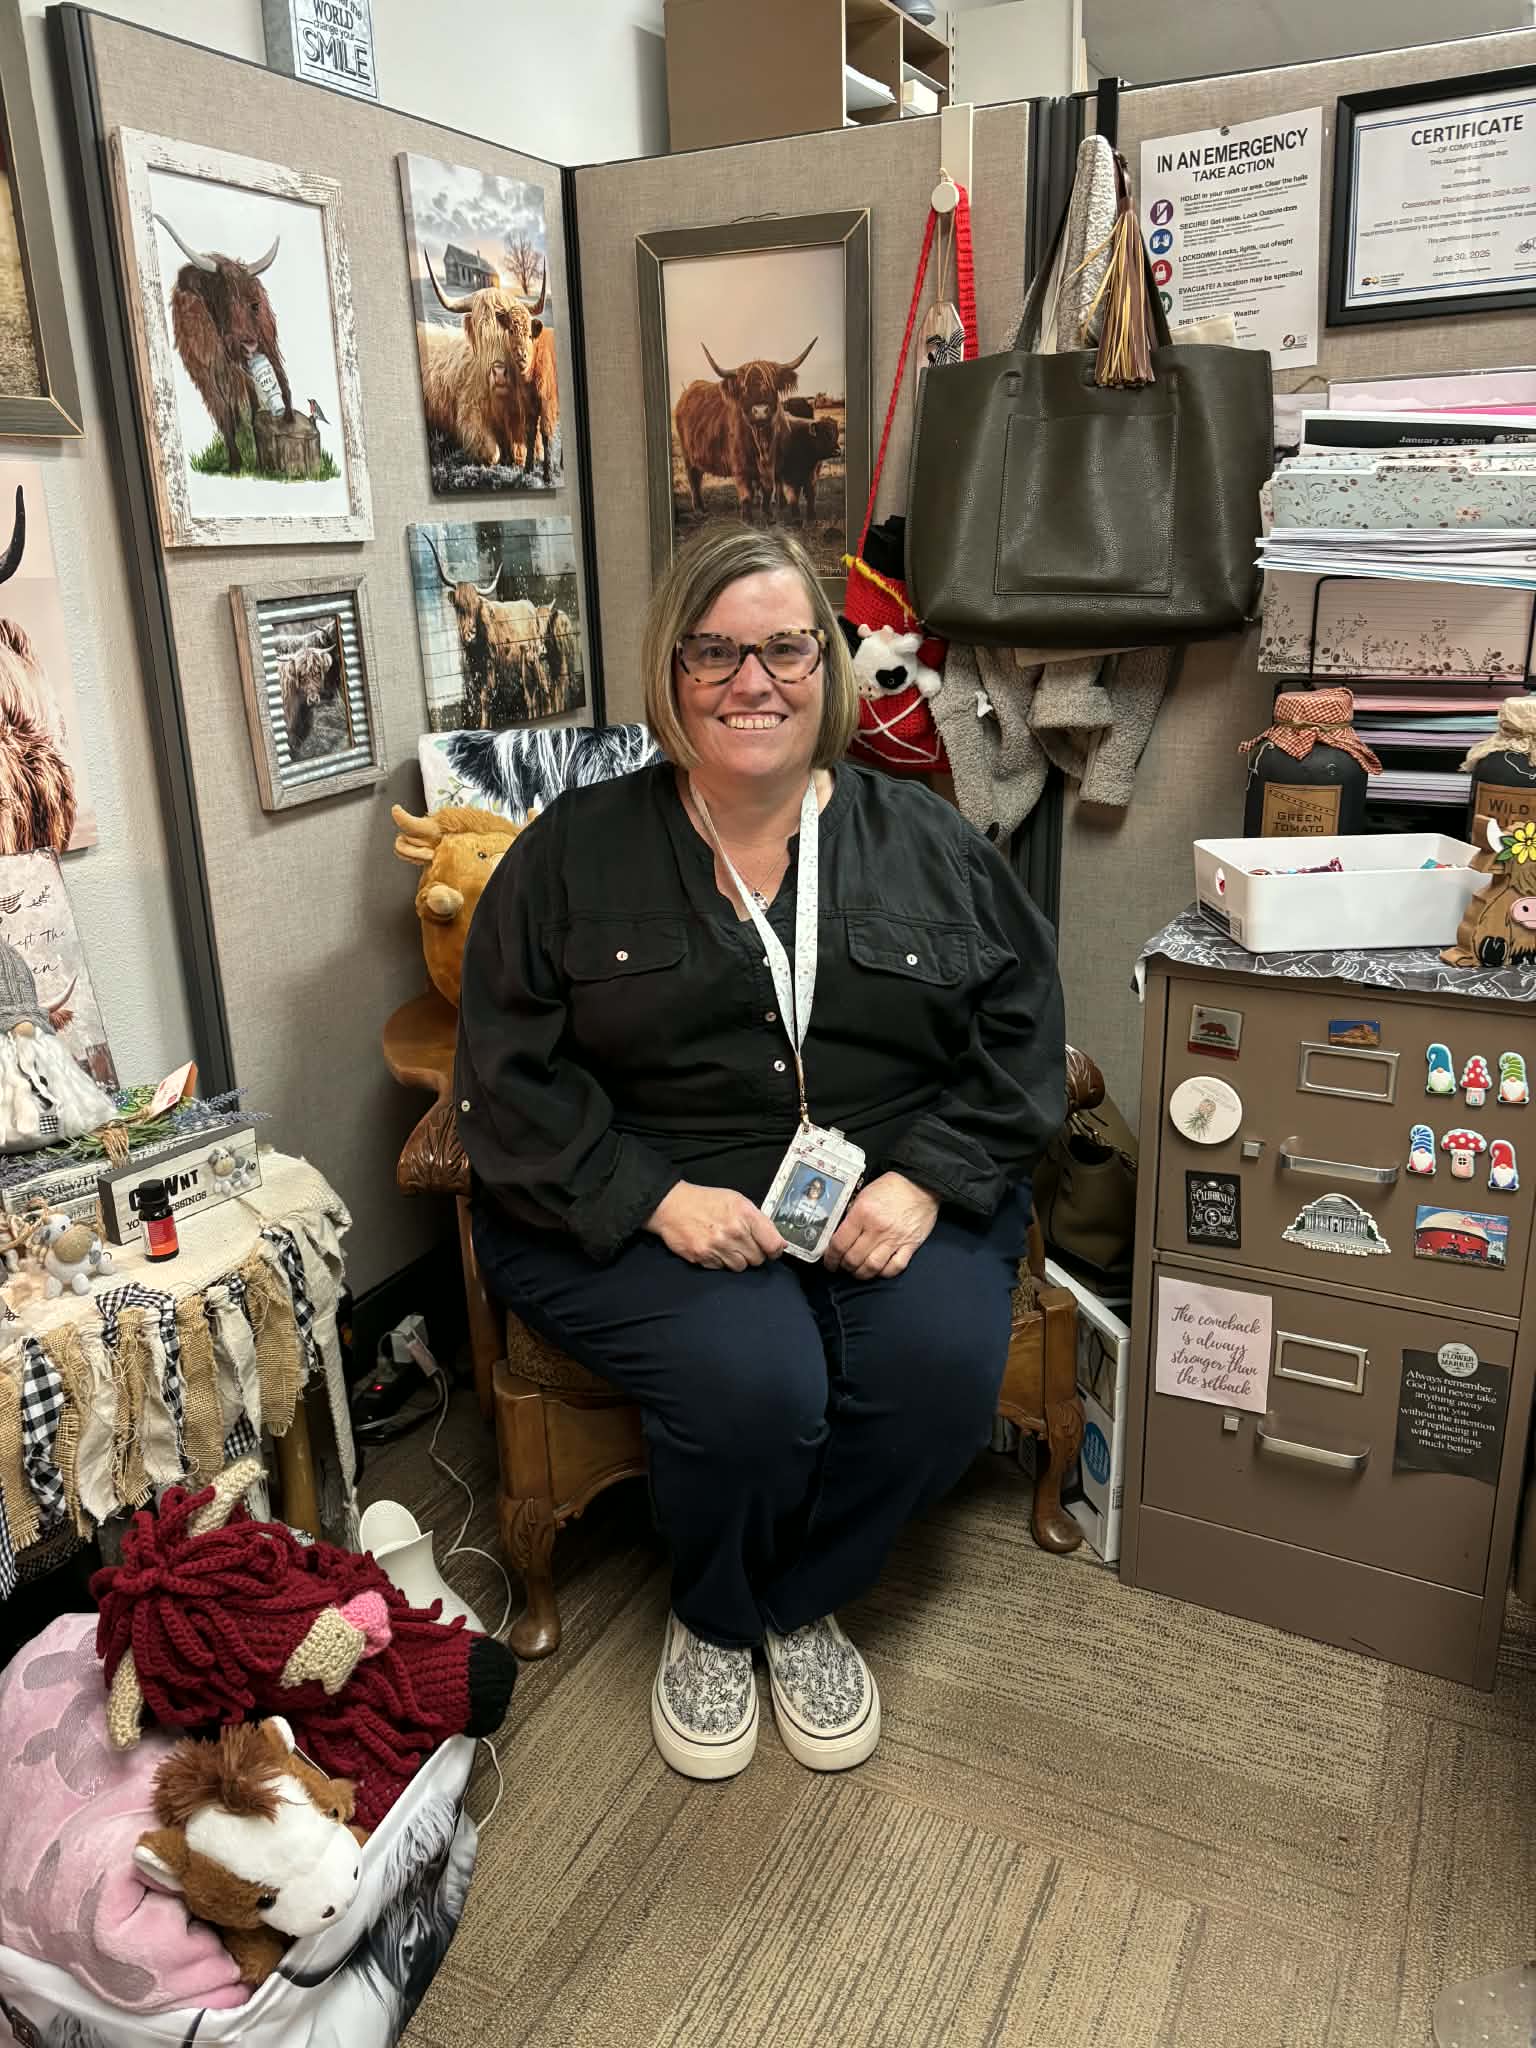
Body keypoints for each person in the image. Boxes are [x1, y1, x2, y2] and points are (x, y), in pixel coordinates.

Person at [458, 523, 1065, 1783]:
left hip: (889, 1182)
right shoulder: (568, 855)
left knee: (944, 1374)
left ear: (830, 664)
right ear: (671, 671)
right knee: (755, 1386)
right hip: (653, 1193)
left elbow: (1024, 1034)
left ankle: (799, 1601)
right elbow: (506, 1076)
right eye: (716, 652)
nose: (755, 681)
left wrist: (928, 1178)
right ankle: (714, 1614)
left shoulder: (931, 842)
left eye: (788, 646)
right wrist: (649, 1195)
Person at [773, 1172, 836, 1252]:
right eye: (813, 1186)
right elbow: (782, 1215)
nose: (815, 1190)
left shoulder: (822, 1213)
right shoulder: (795, 1201)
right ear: (809, 1187)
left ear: (821, 1192)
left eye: (818, 1189)